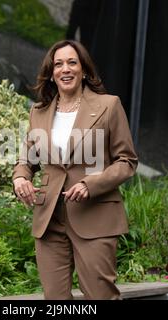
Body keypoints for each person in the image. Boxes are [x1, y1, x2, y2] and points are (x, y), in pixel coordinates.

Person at [12, 40, 138, 300]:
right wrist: (21, 178)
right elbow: (27, 159)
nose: (65, 69)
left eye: (72, 62)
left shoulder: (109, 106)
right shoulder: (38, 111)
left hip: (95, 216)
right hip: (50, 218)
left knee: (99, 296)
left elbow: (126, 162)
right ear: (51, 73)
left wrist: (90, 185)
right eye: (58, 64)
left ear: (84, 70)